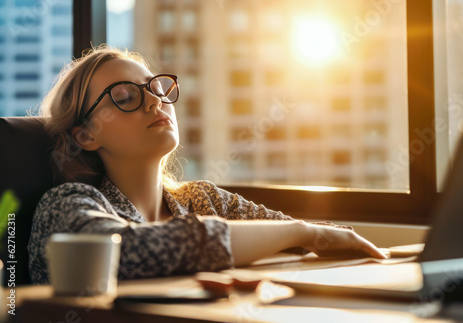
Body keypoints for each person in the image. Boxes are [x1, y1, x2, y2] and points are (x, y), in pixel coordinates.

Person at [28, 45, 386, 284]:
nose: (155, 102)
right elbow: (130, 250)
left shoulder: (202, 199)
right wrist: (305, 233)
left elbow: (305, 238)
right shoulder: (65, 205)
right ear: (86, 137)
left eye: (155, 88)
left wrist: (310, 235)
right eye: (124, 97)